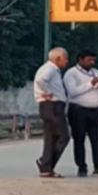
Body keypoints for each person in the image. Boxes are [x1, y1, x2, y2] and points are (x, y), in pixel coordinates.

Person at [64, 50, 98, 178]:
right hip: (78, 109)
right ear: (80, 60)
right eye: (89, 60)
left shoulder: (96, 72)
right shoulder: (71, 73)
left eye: (94, 60)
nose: (92, 63)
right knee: (79, 139)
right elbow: (72, 91)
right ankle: (81, 167)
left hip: (95, 110)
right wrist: (90, 84)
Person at [33, 47, 71, 178]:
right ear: (58, 58)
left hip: (52, 106)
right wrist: (47, 92)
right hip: (52, 105)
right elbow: (40, 80)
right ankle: (45, 162)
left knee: (51, 137)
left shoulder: (53, 70)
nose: (67, 61)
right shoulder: (49, 69)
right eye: (65, 58)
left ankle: (46, 167)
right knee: (63, 136)